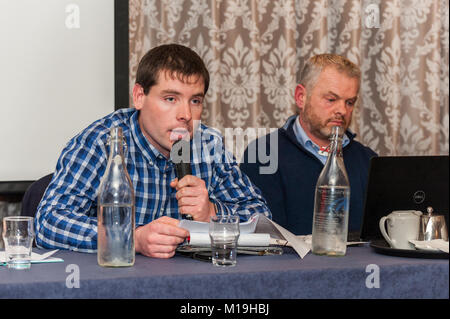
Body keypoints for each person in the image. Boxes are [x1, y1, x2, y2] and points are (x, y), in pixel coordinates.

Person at [35, 44, 271, 258]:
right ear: (139, 97)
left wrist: (213, 212)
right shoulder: (102, 142)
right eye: (170, 98)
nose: (186, 114)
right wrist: (130, 238)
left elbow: (262, 219)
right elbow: (49, 221)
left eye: (195, 101)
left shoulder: (208, 145)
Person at [240, 53, 377, 236]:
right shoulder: (263, 154)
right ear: (301, 97)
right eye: (331, 99)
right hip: (290, 264)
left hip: (357, 265)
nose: (342, 110)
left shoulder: (368, 160)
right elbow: (266, 239)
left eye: (349, 102)